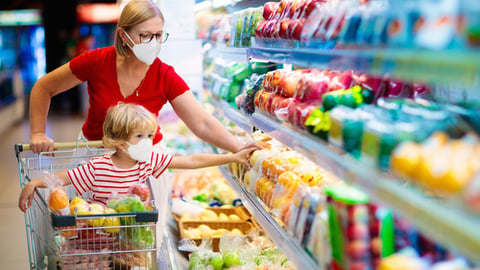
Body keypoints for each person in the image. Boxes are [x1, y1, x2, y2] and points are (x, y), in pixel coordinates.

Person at [29, 0, 255, 155]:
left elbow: (202, 123)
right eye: (145, 35)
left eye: (158, 35)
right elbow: (43, 87)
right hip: (96, 158)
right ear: (123, 35)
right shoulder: (96, 61)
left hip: (144, 164)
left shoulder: (164, 75)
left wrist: (239, 147)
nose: (153, 42)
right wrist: (38, 132)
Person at [18, 103, 256, 212]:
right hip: (101, 239)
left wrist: (232, 157)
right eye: (140, 136)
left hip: (135, 240)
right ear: (120, 142)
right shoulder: (97, 167)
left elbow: (191, 161)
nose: (148, 142)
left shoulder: (148, 161)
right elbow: (64, 178)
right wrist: (34, 183)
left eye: (150, 135)